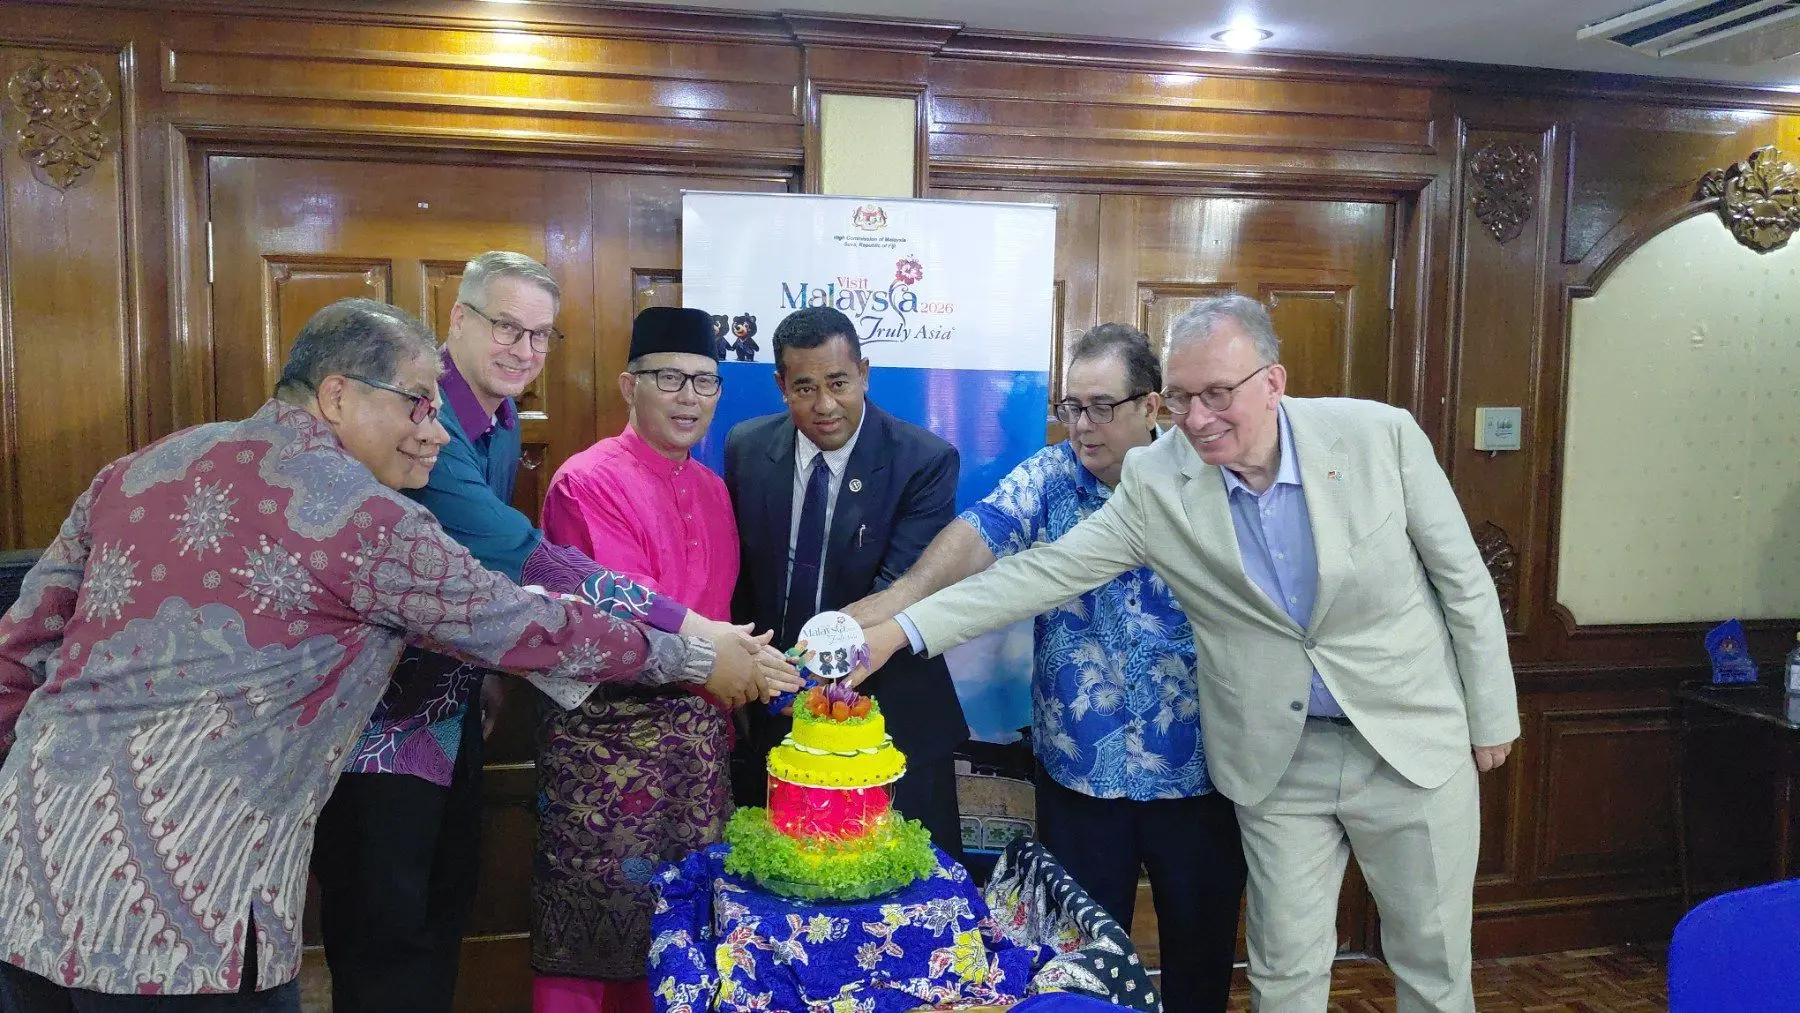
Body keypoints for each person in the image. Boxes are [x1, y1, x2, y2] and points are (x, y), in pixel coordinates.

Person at [0, 298, 776, 1011]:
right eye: (417, 402)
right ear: (338, 395)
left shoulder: (137, 468)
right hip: (180, 904)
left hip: (23, 869)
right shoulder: (362, 514)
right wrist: (695, 659)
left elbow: (19, 652)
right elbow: (527, 625)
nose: (438, 430)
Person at [861, 294, 1519, 1013]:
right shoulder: (1159, 480)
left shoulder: (1380, 438)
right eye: (1180, 398)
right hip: (1281, 761)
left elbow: (1463, 579)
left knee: (1432, 963)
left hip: (1409, 743)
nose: (1198, 419)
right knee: (1285, 975)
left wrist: (1491, 714)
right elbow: (1041, 572)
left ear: (1273, 381)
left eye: (1217, 394)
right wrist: (898, 630)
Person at [311, 261, 787, 1013]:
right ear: (457, 321)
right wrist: (697, 638)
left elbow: (473, 583)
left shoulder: (499, 425)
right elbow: (526, 556)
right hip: (384, 719)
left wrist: (489, 672)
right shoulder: (451, 436)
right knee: (388, 931)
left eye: (538, 334)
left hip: (457, 706)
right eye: (506, 326)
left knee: (439, 916)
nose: (522, 348)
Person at [845, 323, 1245, 1013]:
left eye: (1102, 406)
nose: (1082, 426)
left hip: (1200, 778)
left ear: (1152, 407)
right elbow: (978, 536)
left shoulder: (1209, 475)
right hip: (1081, 782)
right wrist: (895, 606)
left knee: (1200, 962)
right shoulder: (1051, 476)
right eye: (1072, 405)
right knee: (1080, 968)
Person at [531, 307, 742, 1013]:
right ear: (628, 385)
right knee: (599, 940)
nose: (689, 397)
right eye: (670, 378)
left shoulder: (714, 489)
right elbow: (613, 623)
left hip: (700, 756)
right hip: (608, 755)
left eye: (705, 382)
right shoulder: (584, 481)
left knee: (685, 932)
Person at [724, 305, 968, 858]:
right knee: (786, 897)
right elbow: (742, 580)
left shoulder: (924, 461)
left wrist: (806, 682)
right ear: (780, 385)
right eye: (805, 387)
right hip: (777, 716)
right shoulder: (746, 447)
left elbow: (899, 587)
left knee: (900, 898)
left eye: (838, 382)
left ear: (864, 372)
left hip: (888, 719)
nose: (825, 405)